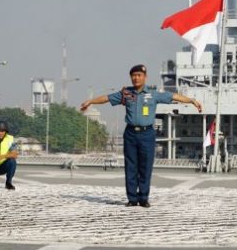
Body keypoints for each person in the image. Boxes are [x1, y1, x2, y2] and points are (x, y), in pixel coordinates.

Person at [80, 64, 202, 207]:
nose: (136, 78)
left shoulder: (152, 93)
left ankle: (143, 198)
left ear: (145, 77)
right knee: (130, 166)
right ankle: (132, 199)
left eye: (139, 75)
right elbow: (106, 98)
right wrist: (90, 101)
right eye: (133, 75)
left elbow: (173, 96)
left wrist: (192, 100)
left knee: (145, 166)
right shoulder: (126, 93)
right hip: (130, 133)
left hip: (147, 134)